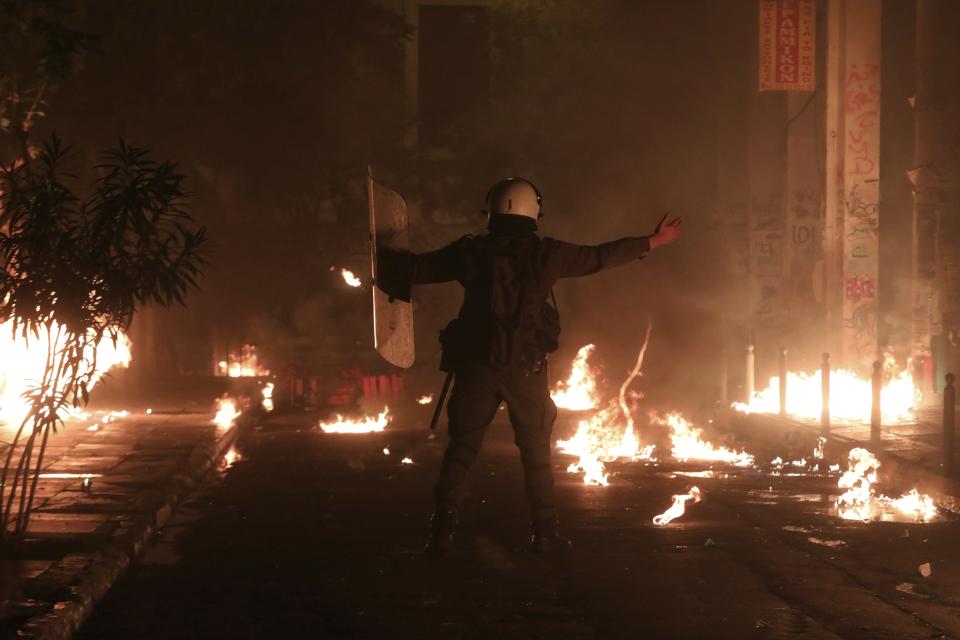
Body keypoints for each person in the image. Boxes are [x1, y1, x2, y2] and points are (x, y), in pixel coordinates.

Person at [382, 177, 682, 553]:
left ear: (490, 210)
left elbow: (414, 271)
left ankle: (440, 533)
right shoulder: (547, 254)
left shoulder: (470, 253)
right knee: (537, 455)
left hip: (477, 369)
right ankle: (544, 534)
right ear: (535, 212)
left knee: (461, 451)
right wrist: (654, 241)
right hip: (526, 371)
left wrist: (381, 252)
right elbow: (601, 256)